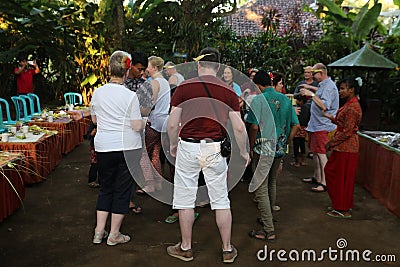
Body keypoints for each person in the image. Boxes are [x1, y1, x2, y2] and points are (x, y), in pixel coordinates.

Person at [166, 47, 249, 263]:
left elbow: (173, 123)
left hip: (188, 146)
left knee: (185, 200)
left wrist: (174, 144)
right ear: (219, 67)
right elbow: (239, 128)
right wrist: (243, 151)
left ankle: (185, 248)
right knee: (221, 199)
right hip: (215, 148)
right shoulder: (229, 90)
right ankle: (227, 249)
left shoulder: (184, 87)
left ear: (199, 65)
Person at [91, 50, 145, 246]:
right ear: (127, 69)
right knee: (122, 190)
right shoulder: (130, 96)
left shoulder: (97, 93)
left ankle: (99, 231)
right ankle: (114, 234)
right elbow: (137, 125)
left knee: (106, 188)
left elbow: (95, 120)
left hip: (104, 146)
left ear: (109, 69)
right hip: (128, 147)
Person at [246, 70, 299, 242]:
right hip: (278, 148)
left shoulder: (258, 100)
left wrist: (251, 146)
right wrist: (285, 142)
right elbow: (296, 126)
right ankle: (266, 218)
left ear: (258, 85)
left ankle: (268, 230)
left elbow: (253, 127)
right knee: (272, 182)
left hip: (262, 149)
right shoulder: (285, 99)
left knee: (260, 188)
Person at [323, 77, 363, 219]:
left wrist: (330, 143)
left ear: (351, 90)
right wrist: (331, 118)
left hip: (346, 147)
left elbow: (347, 130)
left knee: (341, 177)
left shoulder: (352, 107)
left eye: (343, 88)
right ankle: (340, 204)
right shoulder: (350, 104)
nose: (340, 91)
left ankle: (342, 208)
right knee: (336, 174)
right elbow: (345, 124)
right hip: (343, 147)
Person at [300, 63, 339, 192]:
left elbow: (324, 106)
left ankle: (325, 182)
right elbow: (320, 92)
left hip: (323, 125)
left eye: (314, 73)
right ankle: (317, 177)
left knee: (321, 154)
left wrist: (310, 94)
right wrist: (310, 89)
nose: (312, 76)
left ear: (321, 73)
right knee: (316, 152)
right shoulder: (323, 85)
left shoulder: (329, 87)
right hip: (315, 124)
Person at [124, 51, 153, 213]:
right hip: (119, 133)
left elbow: (147, 108)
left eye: (144, 70)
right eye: (139, 69)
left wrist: (130, 110)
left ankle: (128, 199)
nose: (142, 73)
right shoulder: (120, 83)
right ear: (131, 66)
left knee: (132, 168)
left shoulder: (145, 85)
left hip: (136, 133)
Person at [140, 56, 170, 193]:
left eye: (148, 66)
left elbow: (151, 104)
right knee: (156, 153)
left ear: (155, 68)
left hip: (153, 121)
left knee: (144, 153)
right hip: (164, 121)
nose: (146, 69)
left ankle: (150, 184)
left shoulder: (154, 83)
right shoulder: (165, 82)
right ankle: (159, 182)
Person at [291, 95, 310, 167]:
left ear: (300, 101)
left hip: (297, 127)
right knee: (302, 144)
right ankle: (303, 161)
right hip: (304, 128)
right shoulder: (307, 108)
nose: (296, 101)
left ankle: (297, 162)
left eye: (297, 100)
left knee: (296, 145)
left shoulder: (297, 108)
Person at [87, 121, 100, 188]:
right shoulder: (94, 123)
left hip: (105, 146)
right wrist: (93, 133)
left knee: (103, 164)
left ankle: (102, 181)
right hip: (95, 146)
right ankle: (92, 181)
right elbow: (88, 136)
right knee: (94, 164)